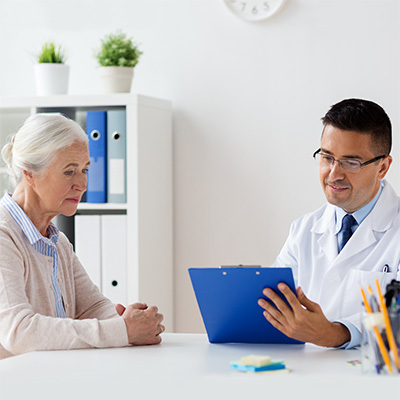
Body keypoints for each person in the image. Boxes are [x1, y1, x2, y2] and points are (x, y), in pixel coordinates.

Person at [0, 113, 164, 360]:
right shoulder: (4, 237)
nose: (82, 184)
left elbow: (92, 307)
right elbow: (19, 332)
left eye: (85, 169)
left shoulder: (57, 242)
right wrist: (121, 330)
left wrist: (130, 321)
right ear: (30, 174)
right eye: (69, 172)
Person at [258, 98, 400, 348]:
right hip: (310, 374)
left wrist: (338, 334)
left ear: (382, 167)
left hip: (379, 381)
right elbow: (272, 304)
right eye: (327, 157)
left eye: (351, 162)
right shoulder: (304, 229)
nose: (334, 173)